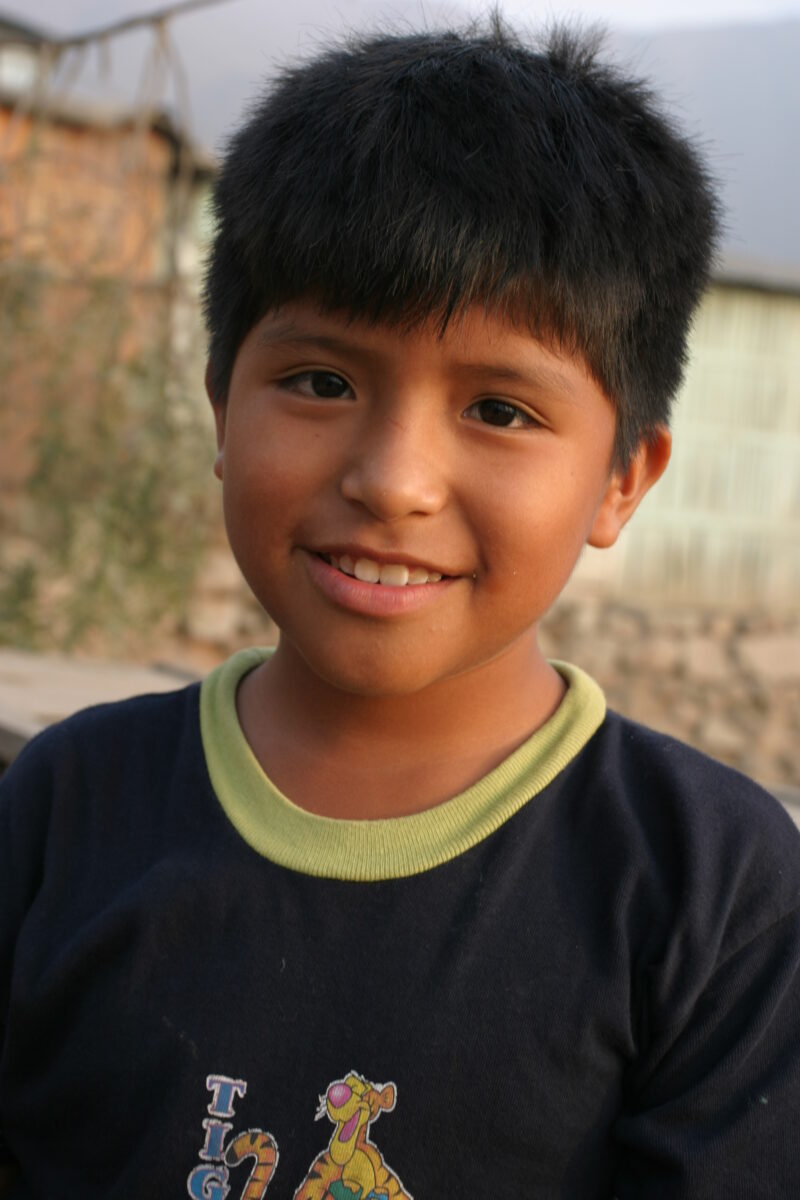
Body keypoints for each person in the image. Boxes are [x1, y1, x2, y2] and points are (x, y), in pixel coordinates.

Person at [1, 17, 798, 1198]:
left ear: (620, 479)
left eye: (498, 410)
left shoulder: (710, 892)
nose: (392, 478)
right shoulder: (62, 810)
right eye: (320, 383)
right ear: (222, 409)